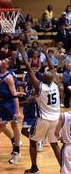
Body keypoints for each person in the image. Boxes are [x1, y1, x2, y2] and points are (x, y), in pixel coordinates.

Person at [17, 43, 61, 174]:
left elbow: (29, 70)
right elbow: (52, 68)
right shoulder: (55, 84)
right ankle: (63, 168)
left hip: (43, 119)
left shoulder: (39, 87)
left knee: (32, 142)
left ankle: (34, 168)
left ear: (43, 79)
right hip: (56, 119)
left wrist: (22, 52)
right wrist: (45, 52)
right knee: (54, 145)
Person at [0, 25, 22, 164]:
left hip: (9, 102)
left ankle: (17, 152)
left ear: (7, 66)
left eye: (6, 61)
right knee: (2, 127)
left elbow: (14, 95)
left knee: (14, 125)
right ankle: (16, 143)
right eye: (3, 60)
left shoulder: (8, 77)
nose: (2, 60)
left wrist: (18, 111)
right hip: (2, 102)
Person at [55, 109, 71, 174]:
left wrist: (60, 138)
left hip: (67, 147)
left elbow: (56, 133)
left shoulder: (63, 115)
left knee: (65, 171)